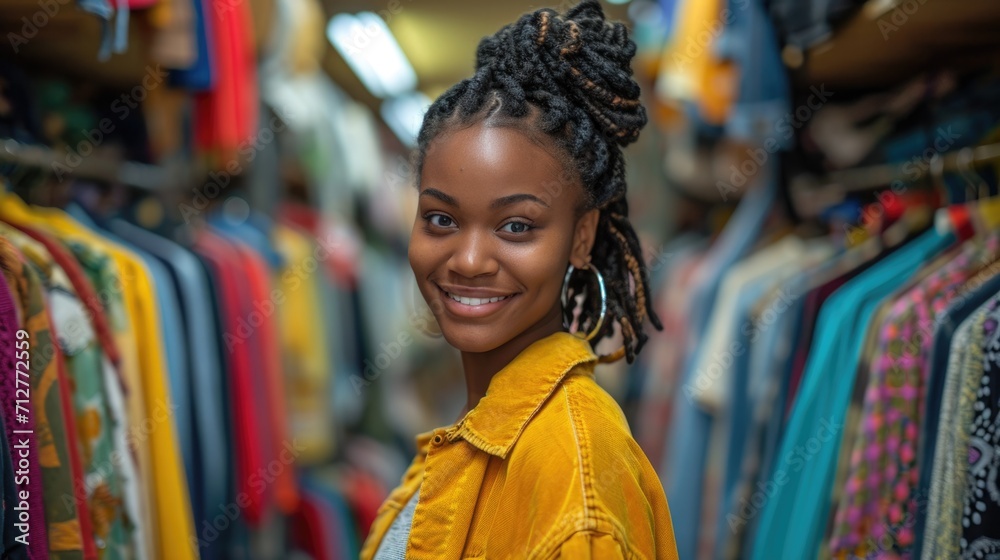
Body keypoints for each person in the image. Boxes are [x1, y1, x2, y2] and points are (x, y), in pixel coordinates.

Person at [360, 1, 679, 558]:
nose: (468, 260)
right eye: (441, 219)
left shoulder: (575, 477)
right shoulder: (475, 427)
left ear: (581, 236)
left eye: (516, 226)